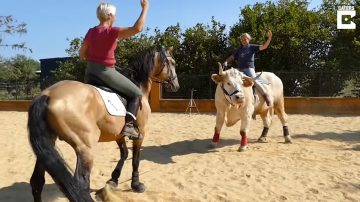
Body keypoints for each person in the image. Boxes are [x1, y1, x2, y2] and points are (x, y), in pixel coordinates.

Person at [79, 0, 149, 139]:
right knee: (136, 94)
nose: (116, 18)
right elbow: (137, 28)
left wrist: (95, 57)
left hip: (90, 73)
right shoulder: (111, 32)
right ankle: (129, 127)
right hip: (106, 72)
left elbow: (82, 54)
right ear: (110, 15)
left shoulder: (91, 32)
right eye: (115, 15)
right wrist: (145, 8)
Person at [224, 31, 273, 106]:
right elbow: (232, 57)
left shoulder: (252, 47)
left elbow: (264, 47)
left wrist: (269, 39)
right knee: (232, 80)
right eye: (242, 40)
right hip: (239, 69)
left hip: (249, 68)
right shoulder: (239, 49)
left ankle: (266, 96)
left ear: (248, 39)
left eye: (245, 39)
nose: (243, 41)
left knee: (254, 81)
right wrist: (226, 61)